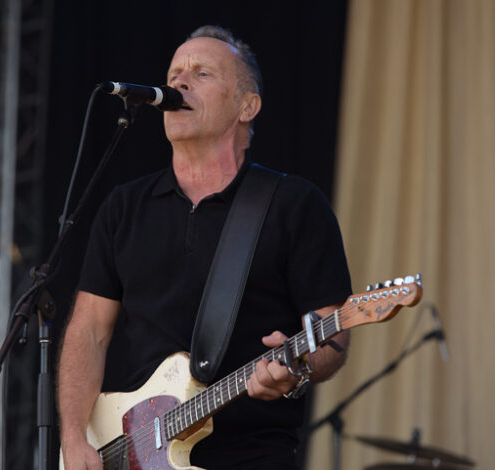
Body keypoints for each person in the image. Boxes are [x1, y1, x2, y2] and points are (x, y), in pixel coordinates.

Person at [57, 25, 352, 470]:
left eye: (201, 73)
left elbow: (334, 329)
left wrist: (299, 367)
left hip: (251, 457)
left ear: (247, 106)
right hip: (131, 453)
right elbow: (89, 332)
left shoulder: (293, 205)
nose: (179, 82)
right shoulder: (125, 207)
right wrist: (74, 438)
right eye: (174, 73)